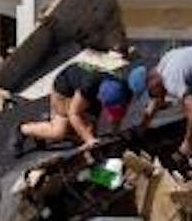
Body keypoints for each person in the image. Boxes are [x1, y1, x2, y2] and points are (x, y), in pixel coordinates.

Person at [10, 61, 139, 156]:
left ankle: (49, 123)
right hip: (65, 87)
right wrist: (89, 140)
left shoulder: (124, 88)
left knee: (88, 136)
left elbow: (117, 115)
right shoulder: (89, 86)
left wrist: (115, 133)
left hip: (88, 91)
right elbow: (73, 114)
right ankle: (23, 130)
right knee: (59, 132)